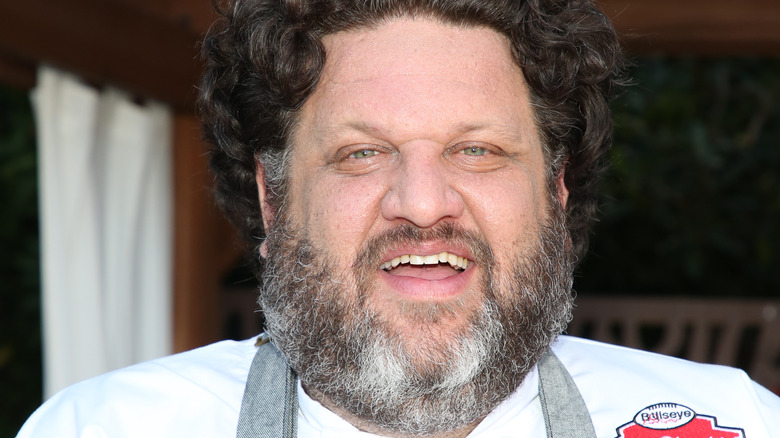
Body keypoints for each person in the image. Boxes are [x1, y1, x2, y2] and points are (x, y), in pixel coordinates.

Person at [18, 0, 780, 437]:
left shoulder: (733, 421)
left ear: (556, 191)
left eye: (477, 150)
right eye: (361, 154)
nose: (421, 202)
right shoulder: (104, 428)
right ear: (273, 200)